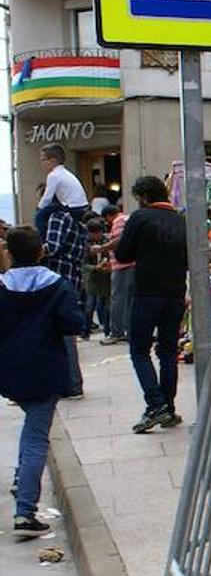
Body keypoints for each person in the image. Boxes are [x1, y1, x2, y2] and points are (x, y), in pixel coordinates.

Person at [0, 225, 84, 537]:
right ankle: (24, 511)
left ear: (9, 253)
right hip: (45, 369)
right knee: (36, 437)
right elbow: (73, 323)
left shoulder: (2, 286)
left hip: (9, 370)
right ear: (42, 251)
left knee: (30, 431)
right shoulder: (57, 285)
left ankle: (22, 480)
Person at [116, 176, 188, 434]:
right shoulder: (181, 221)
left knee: (139, 350)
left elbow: (122, 254)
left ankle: (156, 405)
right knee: (168, 351)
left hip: (147, 292)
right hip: (176, 293)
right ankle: (168, 406)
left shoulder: (140, 217)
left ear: (144, 197)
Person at [39, 146, 89, 398]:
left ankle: (69, 383)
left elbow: (53, 247)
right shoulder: (78, 223)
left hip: (60, 279)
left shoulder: (58, 217)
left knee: (63, 333)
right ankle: (71, 383)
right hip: (73, 278)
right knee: (66, 330)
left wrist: (35, 249)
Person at [96, 198, 132, 344]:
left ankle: (116, 332)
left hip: (123, 266)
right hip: (132, 264)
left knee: (117, 299)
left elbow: (119, 241)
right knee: (129, 300)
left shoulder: (119, 221)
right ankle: (129, 330)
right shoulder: (129, 218)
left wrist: (101, 248)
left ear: (109, 216)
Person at [34, 144, 88, 239]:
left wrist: (38, 209)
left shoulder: (53, 175)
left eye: (43, 159)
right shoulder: (66, 173)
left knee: (40, 216)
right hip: (82, 206)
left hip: (72, 208)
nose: (41, 163)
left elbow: (47, 198)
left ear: (53, 161)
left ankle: (42, 241)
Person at [81, 216, 111, 339]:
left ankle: (107, 330)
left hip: (105, 276)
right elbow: (83, 263)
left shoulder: (106, 241)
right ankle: (85, 331)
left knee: (106, 306)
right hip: (92, 278)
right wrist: (95, 268)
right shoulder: (85, 244)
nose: (97, 236)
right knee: (89, 305)